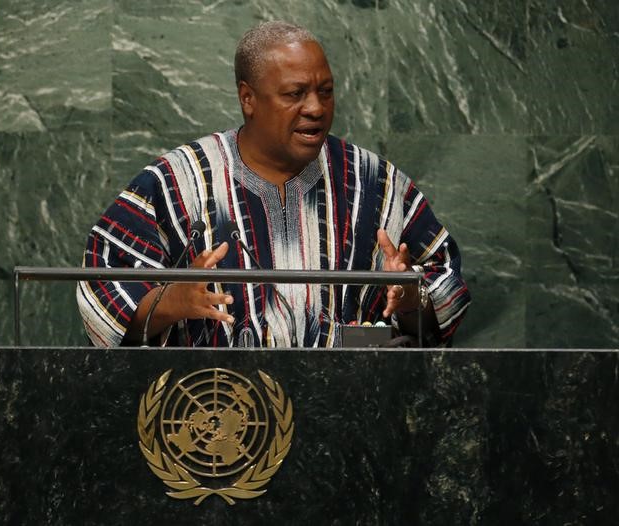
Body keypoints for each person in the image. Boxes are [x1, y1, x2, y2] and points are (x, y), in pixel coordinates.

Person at [77, 21, 470, 348]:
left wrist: (409, 297)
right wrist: (171, 300)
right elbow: (101, 292)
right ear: (248, 98)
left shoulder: (376, 183)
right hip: (223, 419)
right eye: (295, 94)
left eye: (326, 91)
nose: (316, 108)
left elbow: (444, 292)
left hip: (351, 413)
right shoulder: (177, 183)